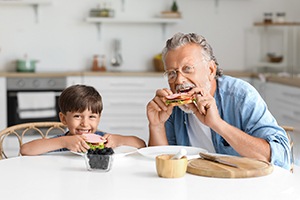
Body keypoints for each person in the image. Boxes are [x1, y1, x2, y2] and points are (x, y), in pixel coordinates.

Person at [146, 32, 291, 170]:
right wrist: (156, 125)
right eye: (172, 73)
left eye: (188, 69)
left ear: (210, 70)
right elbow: (164, 163)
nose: (179, 80)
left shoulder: (241, 96)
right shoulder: (173, 109)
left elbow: (282, 157)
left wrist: (218, 124)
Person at [21, 84, 146, 155]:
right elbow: (25, 150)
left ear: (99, 118)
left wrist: (118, 140)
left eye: (92, 117)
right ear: (63, 119)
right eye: (77, 116)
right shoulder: (63, 142)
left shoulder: (103, 140)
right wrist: (64, 142)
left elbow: (140, 144)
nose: (85, 123)